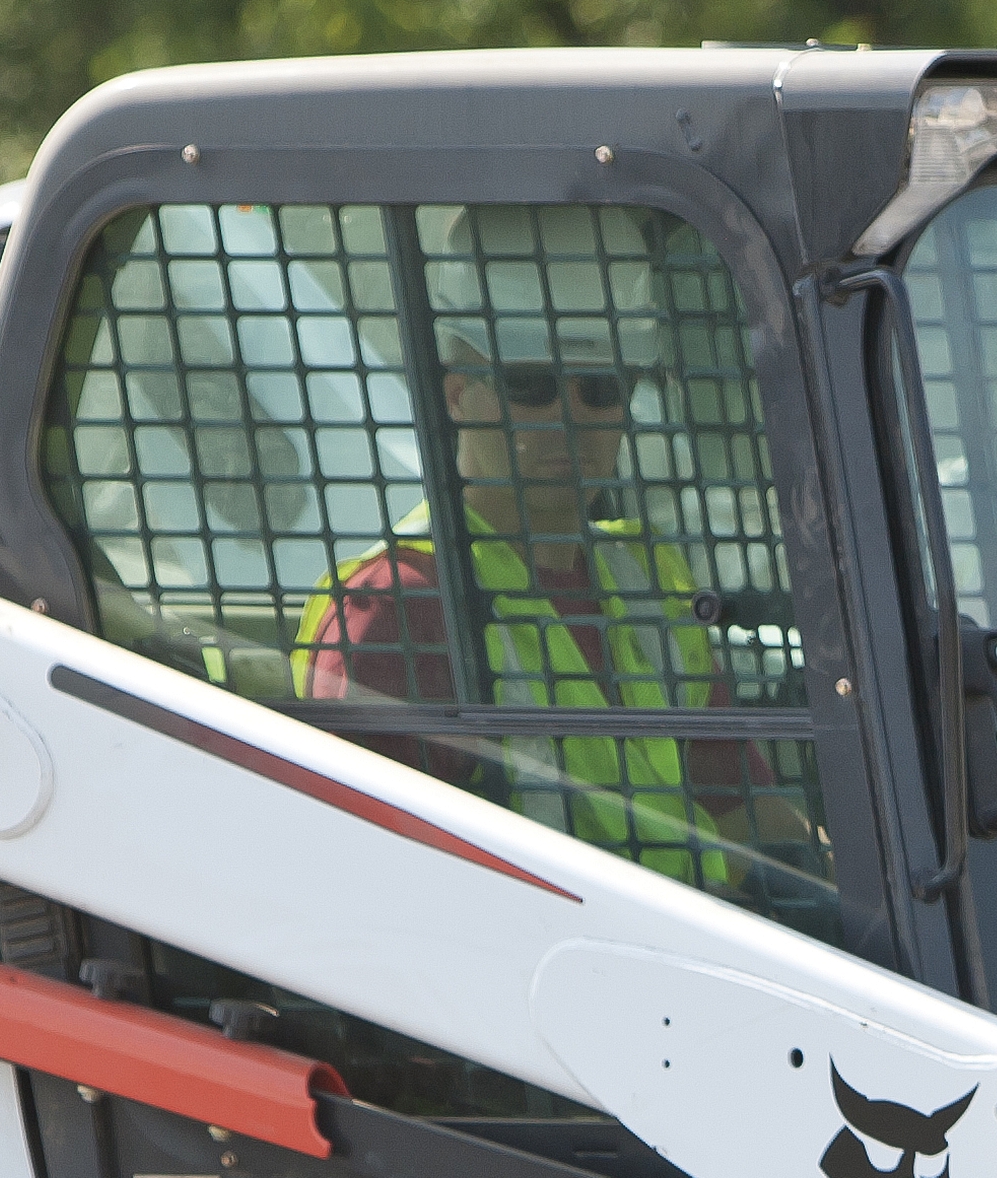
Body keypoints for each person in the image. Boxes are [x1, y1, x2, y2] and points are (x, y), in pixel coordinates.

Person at [296, 322, 740, 864]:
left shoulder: (651, 579)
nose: (572, 419)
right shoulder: (394, 605)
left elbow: (742, 809)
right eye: (531, 386)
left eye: (601, 390)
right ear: (457, 396)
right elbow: (370, 865)